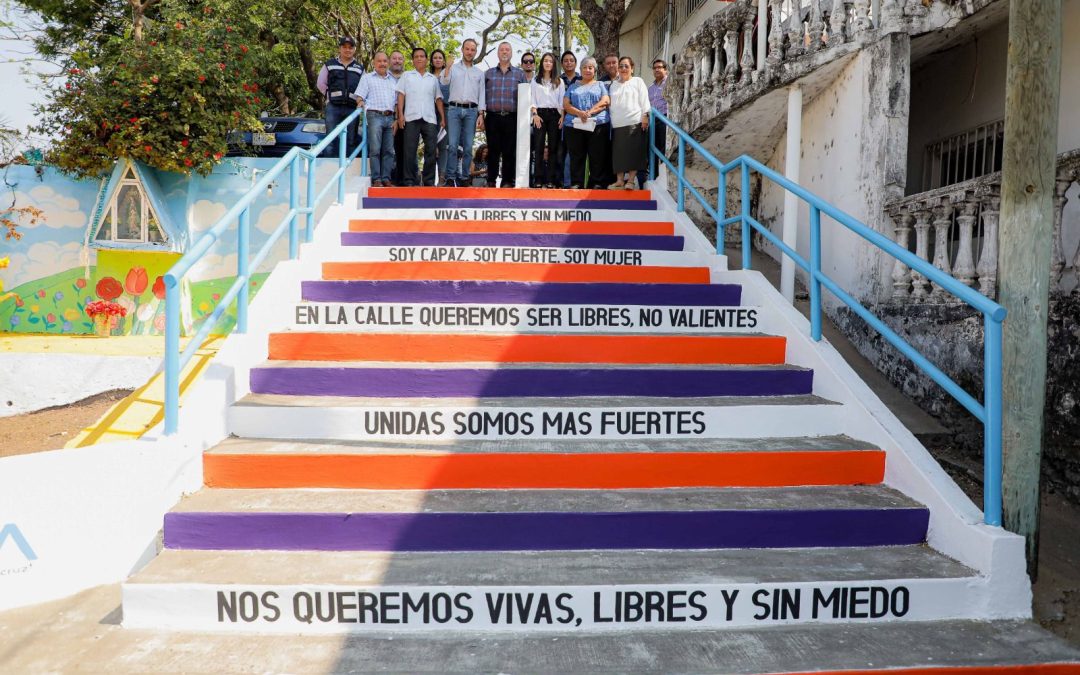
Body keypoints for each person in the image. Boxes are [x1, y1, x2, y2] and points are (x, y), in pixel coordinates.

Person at [395, 47, 445, 186]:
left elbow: (438, 99)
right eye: (416, 56)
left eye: (422, 56)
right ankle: (409, 180)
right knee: (409, 151)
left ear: (426, 59)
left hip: (430, 119)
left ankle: (429, 181)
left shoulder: (432, 79)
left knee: (431, 151)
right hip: (411, 117)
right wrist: (400, 116)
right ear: (413, 60)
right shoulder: (407, 75)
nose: (419, 58)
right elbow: (401, 95)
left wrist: (443, 118)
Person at [562, 57, 610, 190]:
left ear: (594, 70)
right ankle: (577, 183)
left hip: (598, 124)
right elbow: (566, 104)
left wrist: (590, 112)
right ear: (581, 70)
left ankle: (596, 183)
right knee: (577, 155)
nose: (588, 70)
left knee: (597, 154)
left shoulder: (600, 85)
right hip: (574, 125)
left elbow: (605, 101)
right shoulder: (573, 86)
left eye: (590, 67)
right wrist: (580, 113)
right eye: (585, 67)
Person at [443, 38, 486, 187]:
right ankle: (450, 177)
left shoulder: (479, 73)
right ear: (462, 50)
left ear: (475, 52)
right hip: (454, 109)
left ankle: (465, 177)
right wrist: (447, 67)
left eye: (472, 50)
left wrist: (481, 114)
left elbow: (482, 94)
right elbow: (444, 81)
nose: (469, 52)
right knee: (453, 145)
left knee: (468, 147)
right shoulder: (453, 68)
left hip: (471, 111)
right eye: (467, 49)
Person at [352, 51, 398, 187]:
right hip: (374, 116)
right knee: (375, 149)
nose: (382, 63)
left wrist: (396, 118)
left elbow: (396, 102)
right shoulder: (367, 78)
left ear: (388, 63)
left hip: (390, 117)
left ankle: (386, 178)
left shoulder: (393, 80)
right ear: (374, 63)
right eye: (379, 61)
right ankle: (376, 179)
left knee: (389, 150)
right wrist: (360, 103)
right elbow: (360, 96)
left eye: (385, 61)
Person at [484, 42, 527, 187]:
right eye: (502, 50)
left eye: (507, 49)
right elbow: (482, 95)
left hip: (512, 117)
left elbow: (526, 96)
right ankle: (491, 180)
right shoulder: (488, 73)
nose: (504, 52)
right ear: (497, 53)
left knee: (510, 150)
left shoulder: (520, 74)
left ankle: (507, 181)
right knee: (493, 150)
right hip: (492, 117)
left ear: (511, 53)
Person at [607, 56, 650, 190]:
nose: (623, 68)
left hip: (634, 121)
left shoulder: (638, 81)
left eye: (626, 66)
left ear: (632, 68)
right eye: (621, 66)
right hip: (618, 124)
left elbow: (644, 100)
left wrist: (645, 115)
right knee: (619, 154)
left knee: (633, 153)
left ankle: (631, 180)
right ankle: (620, 181)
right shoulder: (613, 84)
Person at [316, 37, 364, 153]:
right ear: (340, 48)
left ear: (354, 49)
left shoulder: (359, 68)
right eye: (344, 47)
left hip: (352, 108)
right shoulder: (329, 64)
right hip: (333, 107)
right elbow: (320, 83)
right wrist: (329, 96)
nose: (347, 50)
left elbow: (364, 87)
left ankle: (349, 167)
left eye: (350, 47)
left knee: (351, 139)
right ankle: (329, 167)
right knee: (330, 139)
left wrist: (360, 100)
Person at [529, 52, 564, 189]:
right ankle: (538, 179)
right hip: (540, 115)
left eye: (550, 61)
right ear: (542, 63)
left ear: (554, 64)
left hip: (555, 114)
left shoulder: (559, 81)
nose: (548, 63)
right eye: (545, 61)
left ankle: (551, 180)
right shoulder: (535, 80)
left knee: (553, 148)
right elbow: (532, 99)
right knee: (538, 147)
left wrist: (562, 116)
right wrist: (535, 114)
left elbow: (562, 101)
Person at [639, 58, 669, 188]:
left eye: (660, 67)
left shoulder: (670, 83)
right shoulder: (650, 88)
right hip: (653, 120)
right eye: (655, 67)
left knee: (663, 147)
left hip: (665, 118)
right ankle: (655, 175)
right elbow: (646, 105)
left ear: (665, 69)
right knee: (652, 147)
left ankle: (665, 175)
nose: (657, 69)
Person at [558, 51, 581, 188]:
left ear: (575, 63)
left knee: (575, 154)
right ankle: (560, 181)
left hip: (577, 121)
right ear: (562, 64)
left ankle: (572, 182)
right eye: (565, 60)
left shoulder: (581, 79)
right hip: (560, 120)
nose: (568, 63)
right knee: (560, 152)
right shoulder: (558, 79)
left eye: (571, 60)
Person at [430, 49, 452, 184]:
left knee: (444, 145)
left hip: (446, 111)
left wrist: (449, 68)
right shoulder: (427, 76)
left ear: (444, 61)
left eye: (440, 58)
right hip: (430, 113)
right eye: (435, 58)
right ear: (431, 61)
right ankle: (430, 178)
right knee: (431, 145)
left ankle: (442, 177)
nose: (438, 60)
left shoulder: (449, 74)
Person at [388, 50, 406, 185]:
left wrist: (399, 116)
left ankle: (402, 180)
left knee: (403, 149)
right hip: (386, 116)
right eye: (394, 58)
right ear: (389, 60)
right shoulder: (382, 76)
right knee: (386, 149)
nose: (397, 61)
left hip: (404, 117)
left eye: (400, 59)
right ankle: (386, 178)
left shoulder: (408, 77)